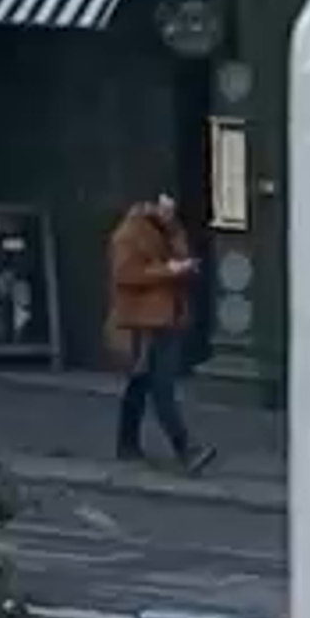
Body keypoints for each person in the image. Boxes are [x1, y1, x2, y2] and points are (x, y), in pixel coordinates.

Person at [104, 190, 210, 471]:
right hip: (146, 321)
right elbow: (124, 274)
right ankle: (185, 449)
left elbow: (179, 258)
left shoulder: (169, 230)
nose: (169, 213)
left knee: (141, 383)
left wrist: (182, 262)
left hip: (168, 317)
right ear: (149, 205)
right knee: (161, 386)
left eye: (172, 209)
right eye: (164, 208)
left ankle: (127, 444)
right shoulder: (129, 234)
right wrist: (169, 271)